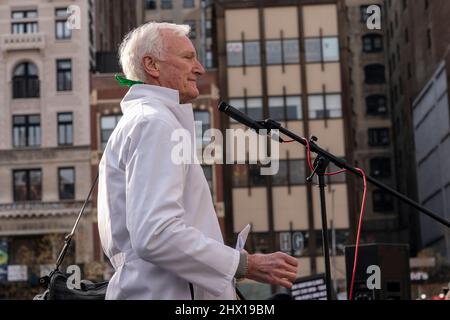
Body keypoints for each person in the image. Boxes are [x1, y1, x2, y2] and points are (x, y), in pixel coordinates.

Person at [97, 22, 298, 300]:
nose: (200, 68)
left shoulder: (146, 120)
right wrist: (244, 264)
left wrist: (235, 264)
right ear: (152, 65)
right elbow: (156, 234)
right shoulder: (154, 123)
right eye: (188, 57)